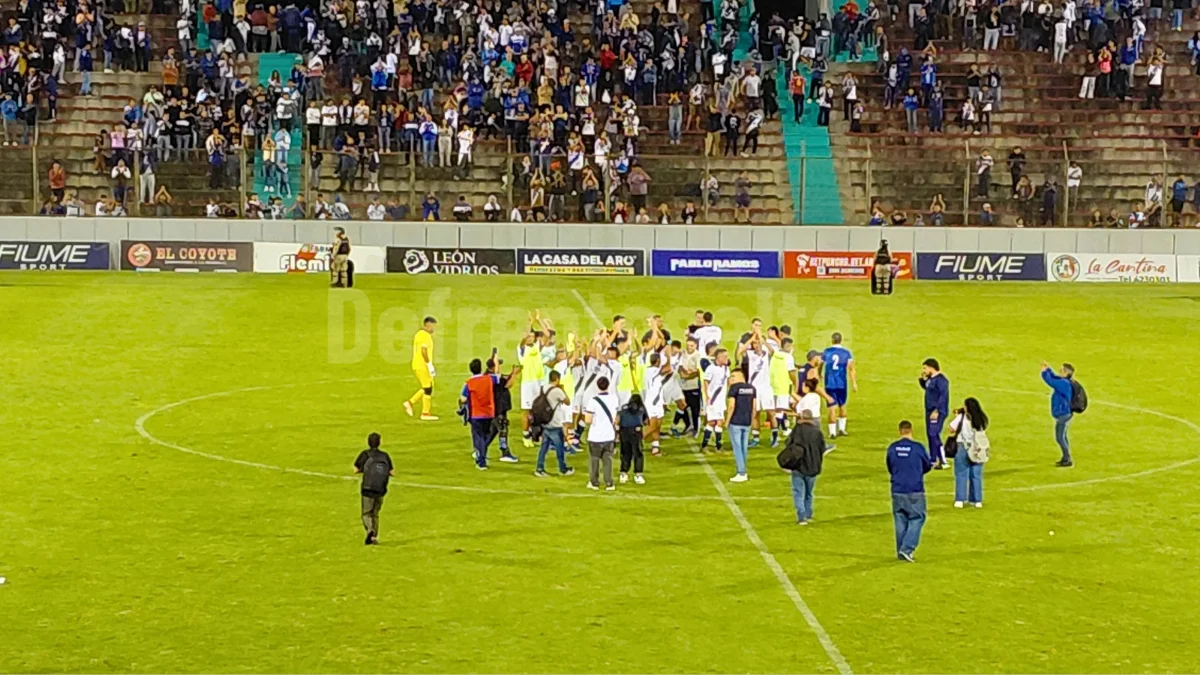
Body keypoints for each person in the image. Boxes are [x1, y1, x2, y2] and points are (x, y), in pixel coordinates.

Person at [887, 420, 932, 562]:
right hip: (914, 488)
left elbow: (890, 465)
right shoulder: (918, 448)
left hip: (897, 488)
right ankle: (907, 549)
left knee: (900, 519)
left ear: (900, 431)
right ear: (911, 431)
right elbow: (927, 465)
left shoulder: (892, 448)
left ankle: (901, 550)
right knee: (917, 518)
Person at [779, 409, 826, 525]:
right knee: (809, 493)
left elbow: (788, 445)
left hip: (798, 466)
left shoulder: (796, 431)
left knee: (798, 492)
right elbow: (822, 448)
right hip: (813, 466)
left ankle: (801, 516)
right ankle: (808, 513)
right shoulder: (817, 432)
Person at [353, 432, 393, 546]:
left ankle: (370, 530)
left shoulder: (365, 454)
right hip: (380, 489)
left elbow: (355, 469)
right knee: (375, 513)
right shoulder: (385, 456)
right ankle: (374, 536)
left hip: (368, 488)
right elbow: (391, 471)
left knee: (366, 513)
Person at [949, 398, 989, 508]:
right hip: (978, 448)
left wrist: (957, 416)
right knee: (976, 475)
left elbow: (951, 429)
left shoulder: (962, 417)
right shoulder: (981, 419)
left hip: (963, 446)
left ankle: (960, 500)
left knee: (961, 473)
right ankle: (977, 501)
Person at [535, 370, 575, 477]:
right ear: (557, 379)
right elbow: (567, 401)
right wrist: (563, 390)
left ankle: (539, 468)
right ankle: (563, 468)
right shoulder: (557, 390)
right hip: (555, 423)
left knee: (544, 447)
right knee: (559, 448)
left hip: (544, 421)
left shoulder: (543, 388)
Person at [461, 359, 498, 470]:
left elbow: (463, 398)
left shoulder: (470, 383)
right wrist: (495, 361)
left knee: (478, 438)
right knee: (485, 436)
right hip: (489, 413)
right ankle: (482, 456)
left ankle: (481, 461)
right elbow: (498, 377)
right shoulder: (489, 379)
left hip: (476, 414)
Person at [583, 376, 619, 491]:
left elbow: (588, 420)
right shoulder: (614, 399)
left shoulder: (593, 401)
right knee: (607, 460)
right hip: (609, 435)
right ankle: (609, 483)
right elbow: (616, 417)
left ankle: (594, 482)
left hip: (595, 436)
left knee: (594, 460)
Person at [1041, 362, 1077, 467]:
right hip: (1065, 414)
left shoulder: (1064, 383)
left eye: (1061, 370)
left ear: (1066, 373)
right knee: (1063, 436)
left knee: (1060, 437)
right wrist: (1048, 370)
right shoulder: (1065, 381)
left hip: (1063, 415)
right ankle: (1066, 457)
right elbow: (1054, 377)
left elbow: (1051, 381)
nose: (1059, 371)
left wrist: (1043, 372)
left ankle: (1068, 459)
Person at [822, 333, 857, 439]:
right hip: (842, 383)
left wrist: (819, 374)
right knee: (842, 405)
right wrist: (854, 383)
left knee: (831, 407)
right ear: (841, 340)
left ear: (832, 340)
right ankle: (842, 429)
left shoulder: (827, 352)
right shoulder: (846, 353)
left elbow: (820, 364)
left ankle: (832, 432)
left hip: (830, 383)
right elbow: (851, 369)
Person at [725, 369, 757, 483]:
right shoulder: (752, 388)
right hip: (746, 422)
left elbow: (731, 406)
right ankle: (743, 470)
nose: (731, 378)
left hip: (735, 422)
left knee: (737, 448)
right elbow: (754, 407)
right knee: (744, 448)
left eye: (733, 376)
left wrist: (727, 421)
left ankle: (741, 472)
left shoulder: (734, 388)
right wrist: (751, 420)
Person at [404, 317, 438, 421]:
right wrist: (429, 365)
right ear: (428, 325)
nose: (434, 329)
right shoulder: (425, 336)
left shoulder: (419, 334)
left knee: (428, 386)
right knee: (427, 388)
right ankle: (423, 412)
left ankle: (412, 404)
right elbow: (424, 351)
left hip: (418, 364)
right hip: (422, 365)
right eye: (433, 326)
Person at [918, 358, 950, 469]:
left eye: (925, 368)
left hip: (937, 412)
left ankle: (943, 460)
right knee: (930, 435)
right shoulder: (931, 379)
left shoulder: (941, 380)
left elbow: (943, 396)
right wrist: (922, 380)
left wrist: (937, 410)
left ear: (932, 367)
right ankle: (932, 460)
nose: (924, 370)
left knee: (933, 434)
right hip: (929, 411)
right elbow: (928, 389)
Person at [617, 393, 648, 485]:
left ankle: (623, 474)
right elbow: (646, 421)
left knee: (625, 453)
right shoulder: (641, 408)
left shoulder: (623, 408)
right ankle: (638, 475)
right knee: (638, 454)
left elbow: (618, 420)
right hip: (636, 432)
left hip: (624, 432)